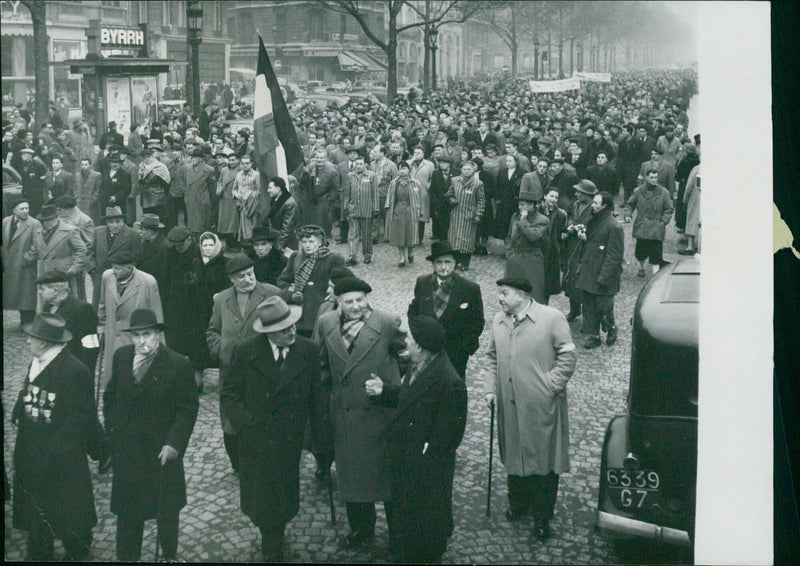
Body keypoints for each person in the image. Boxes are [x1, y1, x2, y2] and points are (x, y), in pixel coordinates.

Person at [220, 296, 328, 561]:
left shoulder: (308, 350)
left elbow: (317, 398)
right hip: (256, 438)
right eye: (284, 330)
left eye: (292, 326)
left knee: (281, 493)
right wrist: (246, 423)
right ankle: (270, 534)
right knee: (260, 495)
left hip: (289, 438)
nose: (292, 332)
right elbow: (229, 394)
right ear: (268, 332)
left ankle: (274, 537)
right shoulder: (245, 351)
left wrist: (321, 438)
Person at [365, 315, 468, 563]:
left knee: (426, 515)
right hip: (408, 456)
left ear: (420, 346)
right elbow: (409, 398)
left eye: (410, 339)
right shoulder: (421, 365)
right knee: (408, 510)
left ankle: (427, 553)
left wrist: (426, 453)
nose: (406, 342)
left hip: (427, 466)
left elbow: (452, 432)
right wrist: (384, 392)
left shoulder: (449, 380)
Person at [316, 276, 407, 552]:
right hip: (345, 414)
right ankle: (361, 528)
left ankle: (398, 533)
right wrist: (330, 397)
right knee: (353, 478)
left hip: (379, 414)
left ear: (367, 299)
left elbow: (405, 356)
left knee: (387, 478)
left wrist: (389, 386)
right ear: (338, 303)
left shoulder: (387, 322)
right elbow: (322, 366)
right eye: (349, 302)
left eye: (360, 300)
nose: (355, 306)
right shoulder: (326, 323)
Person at [484, 278, 577, 542]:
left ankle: (542, 516)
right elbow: (491, 357)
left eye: (504, 293)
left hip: (541, 406)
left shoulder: (552, 318)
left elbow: (568, 355)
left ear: (522, 294)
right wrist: (490, 389)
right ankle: (519, 504)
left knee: (543, 463)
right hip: (509, 405)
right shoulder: (498, 321)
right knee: (513, 456)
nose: (500, 299)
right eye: (499, 293)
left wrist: (549, 386)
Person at [103, 309, 199, 562]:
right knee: (128, 514)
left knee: (166, 511)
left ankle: (169, 556)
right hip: (128, 453)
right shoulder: (122, 357)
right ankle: (127, 558)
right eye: (136, 335)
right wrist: (113, 428)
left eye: (147, 334)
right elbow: (110, 397)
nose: (141, 341)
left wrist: (173, 444)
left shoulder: (178, 364)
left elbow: (187, 410)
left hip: (161, 453)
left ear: (158, 334)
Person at [11, 313, 97, 561]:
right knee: (37, 507)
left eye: (32, 339)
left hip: (60, 456)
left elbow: (81, 417)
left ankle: (77, 548)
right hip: (32, 449)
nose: (27, 342)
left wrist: (52, 449)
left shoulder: (74, 370)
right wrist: (20, 406)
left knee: (69, 507)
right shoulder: (38, 360)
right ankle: (39, 549)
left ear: (45, 342)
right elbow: (29, 386)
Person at [207, 255, 283, 474]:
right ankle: (238, 464)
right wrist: (220, 350)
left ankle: (263, 462)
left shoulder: (271, 293)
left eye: (251, 274)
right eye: (241, 277)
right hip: (230, 370)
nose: (248, 279)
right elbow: (212, 330)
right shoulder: (221, 299)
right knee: (231, 421)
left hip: (262, 370)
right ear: (231, 279)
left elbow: (283, 328)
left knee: (261, 416)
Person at [407, 240, 484, 381]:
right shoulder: (422, 283)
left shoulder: (469, 288)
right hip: (427, 352)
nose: (443, 267)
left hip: (455, 354)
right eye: (439, 262)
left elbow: (477, 321)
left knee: (452, 390)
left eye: (447, 262)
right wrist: (419, 336)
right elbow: (413, 310)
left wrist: (465, 347)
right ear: (433, 264)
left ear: (454, 262)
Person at [97, 248, 163, 390]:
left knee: (134, 379)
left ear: (129, 267)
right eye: (112, 267)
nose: (114, 271)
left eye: (117, 268)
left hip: (135, 339)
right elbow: (102, 304)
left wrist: (157, 344)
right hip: (112, 337)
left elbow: (157, 315)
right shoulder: (107, 277)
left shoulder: (148, 282)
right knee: (114, 381)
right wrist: (102, 326)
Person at [163, 226, 211, 390]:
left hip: (197, 306)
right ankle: (177, 375)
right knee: (175, 341)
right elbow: (165, 278)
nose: (178, 247)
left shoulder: (200, 254)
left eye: (181, 244)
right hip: (175, 305)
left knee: (197, 342)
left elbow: (206, 281)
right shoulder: (170, 254)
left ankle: (197, 375)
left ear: (189, 240)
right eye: (175, 244)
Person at [277, 225, 345, 338]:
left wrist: (333, 294)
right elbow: (284, 281)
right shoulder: (295, 258)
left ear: (320, 242)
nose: (307, 245)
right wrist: (292, 292)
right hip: (299, 313)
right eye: (304, 242)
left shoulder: (332, 259)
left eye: (311, 241)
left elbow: (342, 282)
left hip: (322, 310)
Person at [575, 191, 624, 348]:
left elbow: (614, 256)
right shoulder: (592, 220)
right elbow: (592, 243)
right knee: (589, 305)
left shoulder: (614, 226)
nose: (593, 205)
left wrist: (604, 277)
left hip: (604, 274)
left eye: (596, 203)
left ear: (605, 206)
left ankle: (611, 328)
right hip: (589, 269)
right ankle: (594, 335)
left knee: (604, 306)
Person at [24, 204, 88, 307]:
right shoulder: (38, 232)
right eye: (44, 220)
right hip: (45, 273)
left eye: (50, 220)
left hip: (64, 274)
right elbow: (35, 251)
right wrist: (22, 260)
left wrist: (73, 269)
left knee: (65, 302)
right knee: (47, 302)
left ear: (57, 218)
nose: (47, 223)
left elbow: (82, 250)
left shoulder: (70, 230)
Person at [88, 205, 143, 309]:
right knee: (99, 308)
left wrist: (127, 274)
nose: (114, 225)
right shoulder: (98, 232)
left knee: (120, 309)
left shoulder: (133, 235)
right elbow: (90, 252)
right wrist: (92, 270)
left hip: (122, 280)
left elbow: (137, 258)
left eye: (118, 221)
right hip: (100, 278)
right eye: (111, 222)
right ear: (107, 223)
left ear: (123, 221)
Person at [504, 185, 550, 305]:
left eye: (523, 204)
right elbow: (509, 236)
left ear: (532, 205)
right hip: (515, 259)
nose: (520, 207)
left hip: (532, 260)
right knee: (512, 293)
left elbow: (533, 236)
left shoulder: (542, 220)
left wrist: (524, 221)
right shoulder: (515, 216)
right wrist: (509, 253)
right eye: (519, 204)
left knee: (533, 295)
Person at [624, 169, 674, 277]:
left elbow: (669, 209)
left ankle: (655, 275)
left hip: (657, 227)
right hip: (642, 225)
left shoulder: (664, 192)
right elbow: (630, 204)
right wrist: (628, 215)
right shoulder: (638, 191)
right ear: (647, 178)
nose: (654, 180)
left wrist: (663, 221)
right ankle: (641, 268)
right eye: (652, 177)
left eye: (656, 177)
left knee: (656, 253)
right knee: (640, 251)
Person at [562, 180, 597, 323]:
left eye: (579, 192)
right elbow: (571, 217)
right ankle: (574, 310)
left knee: (583, 280)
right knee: (571, 277)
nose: (576, 194)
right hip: (573, 246)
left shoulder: (594, 208)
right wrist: (571, 225)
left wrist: (586, 231)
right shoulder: (576, 204)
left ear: (586, 195)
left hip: (586, 247)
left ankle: (588, 316)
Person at [3, 197, 41, 326]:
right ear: (14, 210)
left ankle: (27, 322)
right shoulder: (6, 222)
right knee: (12, 294)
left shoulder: (34, 224)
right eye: (22, 209)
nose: (25, 211)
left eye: (27, 208)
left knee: (26, 296)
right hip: (9, 265)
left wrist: (27, 259)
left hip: (25, 266)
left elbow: (37, 245)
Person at [446, 160, 485, 271]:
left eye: (469, 169)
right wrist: (451, 199)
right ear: (461, 170)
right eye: (464, 169)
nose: (466, 171)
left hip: (469, 215)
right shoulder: (454, 180)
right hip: (456, 213)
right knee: (455, 239)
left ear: (473, 170)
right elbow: (449, 193)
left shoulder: (478, 183)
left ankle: (465, 262)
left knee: (467, 240)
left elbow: (481, 200)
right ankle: (457, 261)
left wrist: (478, 214)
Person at [384, 160, 423, 267]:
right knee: (399, 234)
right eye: (400, 168)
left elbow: (419, 198)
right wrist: (389, 210)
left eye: (404, 168)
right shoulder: (394, 183)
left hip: (411, 211)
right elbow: (390, 198)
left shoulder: (415, 183)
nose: (402, 171)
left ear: (409, 170)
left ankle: (410, 251)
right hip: (398, 210)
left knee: (410, 233)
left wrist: (420, 211)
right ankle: (402, 257)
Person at [344, 155, 380, 266]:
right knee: (353, 234)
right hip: (353, 210)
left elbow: (375, 193)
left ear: (365, 164)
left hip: (367, 210)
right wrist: (346, 206)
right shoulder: (350, 176)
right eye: (357, 164)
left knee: (366, 235)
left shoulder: (371, 176)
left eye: (360, 164)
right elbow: (347, 193)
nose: (358, 166)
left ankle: (367, 254)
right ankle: (352, 256)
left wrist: (376, 208)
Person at [539, 188, 568, 304]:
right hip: (539, 250)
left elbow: (561, 232)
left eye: (556, 197)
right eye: (551, 196)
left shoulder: (560, 214)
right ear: (545, 196)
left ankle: (544, 305)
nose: (553, 199)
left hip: (552, 252)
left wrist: (564, 235)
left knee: (548, 285)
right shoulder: (537, 211)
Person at [181, 146, 216, 235]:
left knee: (203, 226)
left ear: (201, 158)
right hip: (191, 200)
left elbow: (212, 188)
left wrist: (211, 202)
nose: (193, 159)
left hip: (202, 201)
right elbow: (185, 183)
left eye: (195, 157)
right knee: (191, 225)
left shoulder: (209, 170)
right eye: (192, 157)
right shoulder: (187, 169)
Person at [134, 213, 170, 297]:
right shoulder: (146, 243)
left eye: (142, 229)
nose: (140, 232)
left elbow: (164, 276)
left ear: (149, 231)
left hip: (156, 290)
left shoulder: (164, 247)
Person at [308, 148, 340, 237]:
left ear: (326, 159)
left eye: (321, 158)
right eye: (317, 158)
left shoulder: (332, 171)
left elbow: (336, 188)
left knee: (324, 220)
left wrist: (329, 200)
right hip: (314, 198)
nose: (319, 160)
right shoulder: (312, 168)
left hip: (325, 198)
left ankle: (326, 236)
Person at [264, 176, 299, 252]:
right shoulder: (275, 199)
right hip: (276, 239)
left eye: (270, 188)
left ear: (278, 188)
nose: (268, 190)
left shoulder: (289, 203)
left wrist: (278, 247)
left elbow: (287, 229)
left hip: (286, 243)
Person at [136, 148, 171, 222]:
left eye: (148, 156)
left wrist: (163, 195)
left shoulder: (160, 166)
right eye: (144, 157)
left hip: (157, 197)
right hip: (145, 197)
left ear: (152, 156)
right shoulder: (141, 167)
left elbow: (166, 183)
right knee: (147, 218)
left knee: (159, 218)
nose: (147, 159)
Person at [232, 154, 261, 241]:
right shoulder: (238, 174)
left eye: (247, 163)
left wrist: (250, 195)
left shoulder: (256, 175)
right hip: (242, 205)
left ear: (251, 164)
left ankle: (254, 241)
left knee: (254, 225)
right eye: (243, 163)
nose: (245, 165)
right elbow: (234, 188)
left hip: (253, 205)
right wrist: (237, 195)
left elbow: (260, 190)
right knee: (244, 226)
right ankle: (246, 242)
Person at [216, 153, 241, 248]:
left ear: (238, 160)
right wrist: (219, 189)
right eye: (230, 160)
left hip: (235, 199)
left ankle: (236, 244)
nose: (231, 162)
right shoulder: (224, 170)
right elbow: (220, 181)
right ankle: (228, 243)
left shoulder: (241, 170)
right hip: (224, 199)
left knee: (235, 222)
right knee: (225, 222)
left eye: (233, 160)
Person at [429, 154, 454, 242]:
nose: (442, 165)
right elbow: (432, 189)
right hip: (440, 202)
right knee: (441, 221)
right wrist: (435, 201)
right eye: (440, 163)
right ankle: (442, 240)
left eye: (445, 163)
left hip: (451, 202)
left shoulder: (456, 172)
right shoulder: (436, 173)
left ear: (449, 164)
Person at [99, 150, 132, 214]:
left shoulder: (125, 174)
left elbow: (127, 189)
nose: (114, 164)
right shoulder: (105, 173)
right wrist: (102, 197)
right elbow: (102, 187)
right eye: (112, 162)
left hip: (118, 204)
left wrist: (116, 197)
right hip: (105, 203)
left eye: (116, 162)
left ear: (120, 164)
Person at [19, 147, 48, 217]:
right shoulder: (22, 165)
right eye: (22, 155)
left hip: (36, 195)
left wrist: (40, 193)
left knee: (36, 214)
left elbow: (43, 181)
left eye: (25, 155)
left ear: (30, 156)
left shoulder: (38, 165)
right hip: (26, 194)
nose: (22, 156)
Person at [199, 231, 229, 297]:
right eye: (205, 245)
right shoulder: (198, 262)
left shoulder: (224, 263)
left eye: (211, 245)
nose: (208, 248)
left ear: (216, 246)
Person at [74, 157, 103, 223]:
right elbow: (75, 187)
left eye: (86, 164)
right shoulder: (77, 175)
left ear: (89, 165)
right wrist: (76, 197)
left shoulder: (96, 175)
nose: (84, 166)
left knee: (90, 221)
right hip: (79, 203)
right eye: (82, 164)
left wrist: (93, 199)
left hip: (91, 204)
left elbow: (99, 189)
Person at [680, 164, 701, 255]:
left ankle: (690, 246)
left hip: (695, 197)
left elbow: (689, 186)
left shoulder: (696, 169)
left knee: (692, 219)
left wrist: (685, 200)